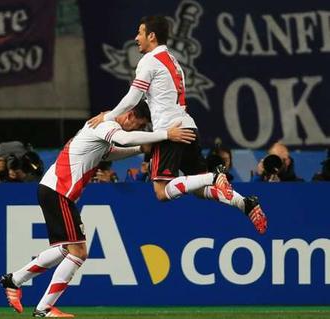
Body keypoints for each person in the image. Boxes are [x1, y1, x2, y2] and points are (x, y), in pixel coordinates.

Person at [0, 101, 197, 318]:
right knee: (79, 252)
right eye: (139, 126)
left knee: (67, 249)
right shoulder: (106, 124)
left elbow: (109, 153)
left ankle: (14, 279)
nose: (138, 131)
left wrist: (140, 148)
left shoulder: (105, 126)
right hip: (58, 191)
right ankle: (43, 309)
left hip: (56, 191)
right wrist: (166, 134)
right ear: (129, 116)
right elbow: (123, 139)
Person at [88, 15, 267, 234]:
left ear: (151, 36)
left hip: (171, 132)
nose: (136, 38)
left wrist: (106, 118)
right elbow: (155, 100)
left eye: (140, 33)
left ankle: (214, 175)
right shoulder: (173, 61)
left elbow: (132, 99)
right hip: (188, 127)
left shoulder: (149, 61)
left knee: (162, 192)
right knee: (201, 190)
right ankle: (244, 203)